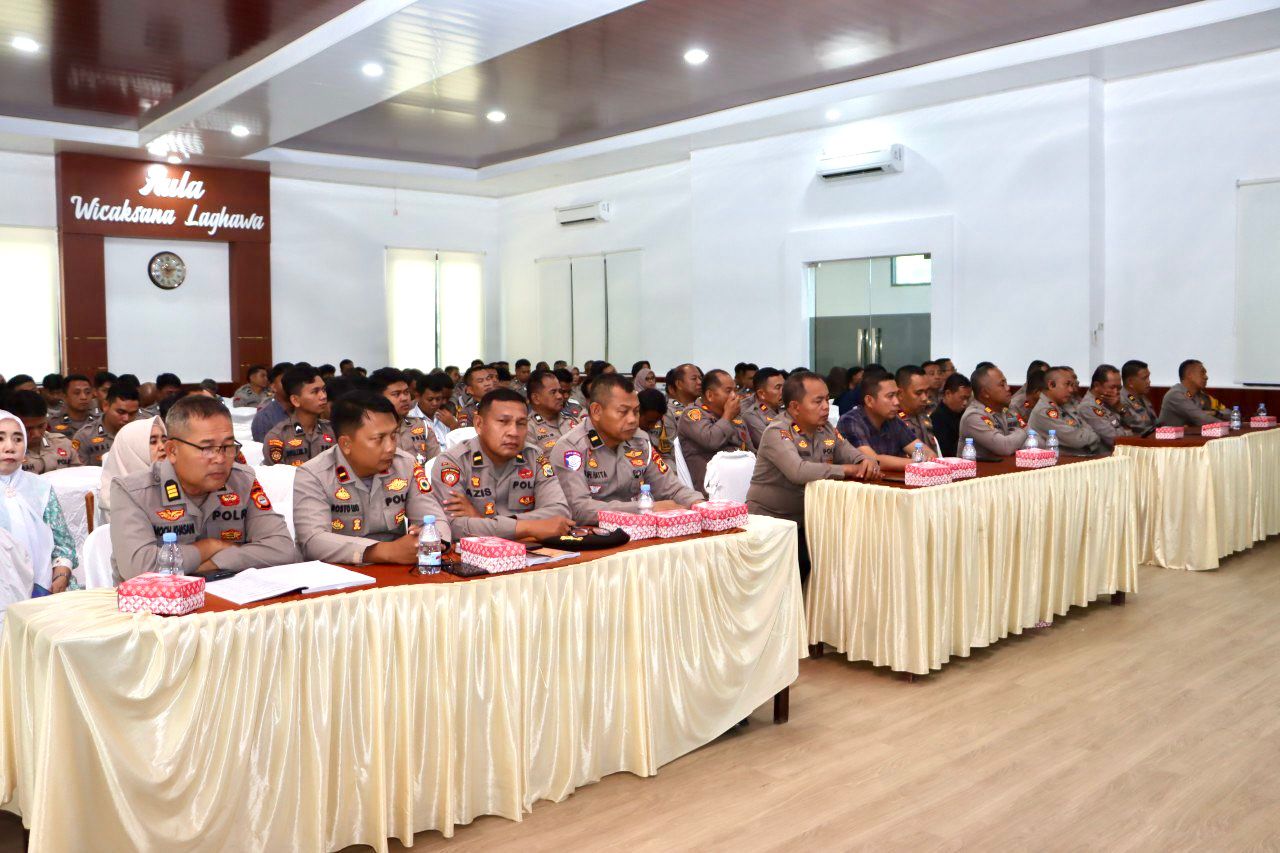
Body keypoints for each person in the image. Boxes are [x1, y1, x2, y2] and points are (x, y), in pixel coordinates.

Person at [109, 396, 297, 581]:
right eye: (207, 448)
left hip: (232, 595)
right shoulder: (132, 492)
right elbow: (139, 568)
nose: (220, 459)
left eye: (227, 446)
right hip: (158, 601)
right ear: (172, 451)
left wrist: (213, 563)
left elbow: (283, 549)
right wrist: (210, 547)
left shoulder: (241, 481)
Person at [746, 372, 877, 580]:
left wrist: (863, 461)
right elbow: (798, 471)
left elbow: (850, 453)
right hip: (773, 523)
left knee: (851, 552)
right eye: (818, 401)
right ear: (795, 407)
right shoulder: (778, 432)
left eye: (827, 399)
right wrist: (846, 469)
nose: (825, 407)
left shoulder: (826, 428)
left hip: (809, 520)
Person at [293, 392, 449, 565]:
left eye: (393, 435)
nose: (391, 447)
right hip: (339, 571)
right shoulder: (313, 475)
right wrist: (384, 551)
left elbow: (435, 518)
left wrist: (432, 538)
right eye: (378, 439)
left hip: (396, 569)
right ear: (346, 444)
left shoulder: (405, 464)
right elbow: (313, 541)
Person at [550, 374, 704, 524]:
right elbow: (579, 509)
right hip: (592, 534)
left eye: (636, 411)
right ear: (596, 411)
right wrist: (644, 509)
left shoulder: (640, 441)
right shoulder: (571, 448)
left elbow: (671, 489)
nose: (632, 420)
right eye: (623, 412)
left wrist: (700, 505)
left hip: (639, 531)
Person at [431, 389, 573, 540]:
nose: (513, 432)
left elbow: (559, 512)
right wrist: (527, 528)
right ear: (479, 424)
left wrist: (481, 520)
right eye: (503, 422)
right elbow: (452, 527)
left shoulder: (534, 456)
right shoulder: (453, 462)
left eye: (521, 423)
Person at [0, 410, 77, 601]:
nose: (10, 447)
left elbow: (63, 545)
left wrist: (61, 574)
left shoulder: (40, 488)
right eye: (0, 439)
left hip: (43, 590)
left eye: (18, 439)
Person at [677, 369, 754, 494]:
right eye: (728, 391)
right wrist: (728, 416)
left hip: (741, 482)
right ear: (710, 395)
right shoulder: (692, 415)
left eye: (735, 390)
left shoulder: (736, 417)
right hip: (713, 489)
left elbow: (750, 451)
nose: (734, 396)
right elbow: (712, 441)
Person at [838, 372, 932, 472]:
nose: (897, 402)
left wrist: (926, 460)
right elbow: (872, 460)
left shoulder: (893, 420)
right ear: (869, 401)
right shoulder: (850, 421)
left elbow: (926, 452)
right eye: (890, 396)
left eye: (897, 394)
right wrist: (918, 463)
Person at [262, 365, 334, 466]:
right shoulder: (278, 437)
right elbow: (277, 474)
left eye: (323, 390)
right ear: (295, 400)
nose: (323, 396)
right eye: (315, 392)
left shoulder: (332, 430)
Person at [97, 416, 166, 521]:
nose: (163, 447)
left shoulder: (174, 481)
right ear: (132, 450)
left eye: (164, 440)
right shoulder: (116, 501)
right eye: (153, 441)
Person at [370, 367, 440, 463]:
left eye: (406, 392)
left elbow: (437, 463)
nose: (404, 398)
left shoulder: (420, 425)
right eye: (396, 394)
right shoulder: (369, 431)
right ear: (378, 397)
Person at [958, 364, 1028, 460]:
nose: (1008, 388)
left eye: (1006, 383)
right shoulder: (973, 417)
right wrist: (1023, 432)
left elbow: (1035, 440)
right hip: (980, 469)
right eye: (1002, 385)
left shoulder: (1006, 411)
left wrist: (1020, 437)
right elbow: (1005, 447)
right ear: (985, 393)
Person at [1027, 367, 1102, 456]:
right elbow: (1077, 440)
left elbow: (1091, 430)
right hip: (1063, 462)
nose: (1071, 390)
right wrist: (1090, 436)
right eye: (1067, 384)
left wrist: (1087, 435)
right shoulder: (1043, 412)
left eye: (1072, 385)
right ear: (1051, 385)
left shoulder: (1064, 405)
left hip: (1082, 458)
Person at [10, 391, 78, 474]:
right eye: (28, 428)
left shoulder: (63, 444)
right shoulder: (5, 453)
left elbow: (80, 475)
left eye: (41, 426)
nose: (36, 434)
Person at [72, 383, 140, 466]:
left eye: (132, 413)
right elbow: (79, 471)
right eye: (121, 412)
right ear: (106, 406)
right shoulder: (84, 437)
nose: (126, 418)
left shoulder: (142, 433)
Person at [1158, 359, 1229, 427]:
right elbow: (1201, 418)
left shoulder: (1200, 395)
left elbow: (1228, 413)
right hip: (1168, 436)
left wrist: (1216, 413)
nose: (1206, 377)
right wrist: (1227, 425)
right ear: (1189, 375)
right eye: (1202, 372)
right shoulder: (1175, 395)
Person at [1078, 364, 1132, 452]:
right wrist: (1129, 431)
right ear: (1096, 385)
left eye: (1119, 388)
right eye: (1112, 387)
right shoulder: (1088, 407)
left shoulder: (1112, 401)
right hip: (1103, 456)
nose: (1116, 392)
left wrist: (1120, 408)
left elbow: (1135, 425)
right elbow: (1114, 439)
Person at [526, 369, 580, 452]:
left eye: (560, 391)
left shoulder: (572, 421)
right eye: (553, 392)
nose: (560, 396)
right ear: (536, 398)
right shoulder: (528, 428)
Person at [896, 365, 938, 453]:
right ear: (900, 394)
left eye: (926, 391)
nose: (925, 398)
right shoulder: (894, 421)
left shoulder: (924, 416)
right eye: (918, 393)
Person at [930, 373, 972, 458]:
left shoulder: (965, 414)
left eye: (967, 399)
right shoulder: (937, 419)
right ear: (948, 394)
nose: (965, 403)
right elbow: (946, 453)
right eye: (962, 398)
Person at [250, 362, 294, 442]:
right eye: (286, 381)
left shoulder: (305, 410)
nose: (292, 384)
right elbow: (264, 448)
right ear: (273, 387)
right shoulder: (264, 418)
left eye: (294, 380)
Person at [742, 367, 784, 447]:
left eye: (784, 386)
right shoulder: (752, 416)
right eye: (778, 388)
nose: (783, 391)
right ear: (761, 394)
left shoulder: (786, 409)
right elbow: (771, 445)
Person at [410, 372, 454, 446]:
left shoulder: (447, 418)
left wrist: (454, 426)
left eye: (438, 399)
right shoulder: (409, 420)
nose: (435, 403)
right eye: (430, 399)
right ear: (418, 397)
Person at [47, 373, 95, 438]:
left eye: (88, 392)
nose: (84, 397)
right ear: (64, 397)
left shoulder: (100, 420)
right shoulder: (52, 423)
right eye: (77, 393)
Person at [1120, 359, 1157, 434]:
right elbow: (1140, 426)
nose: (1149, 381)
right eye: (1144, 378)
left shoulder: (1142, 397)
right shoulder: (1121, 400)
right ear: (1130, 382)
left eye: (1148, 377)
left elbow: (1155, 421)